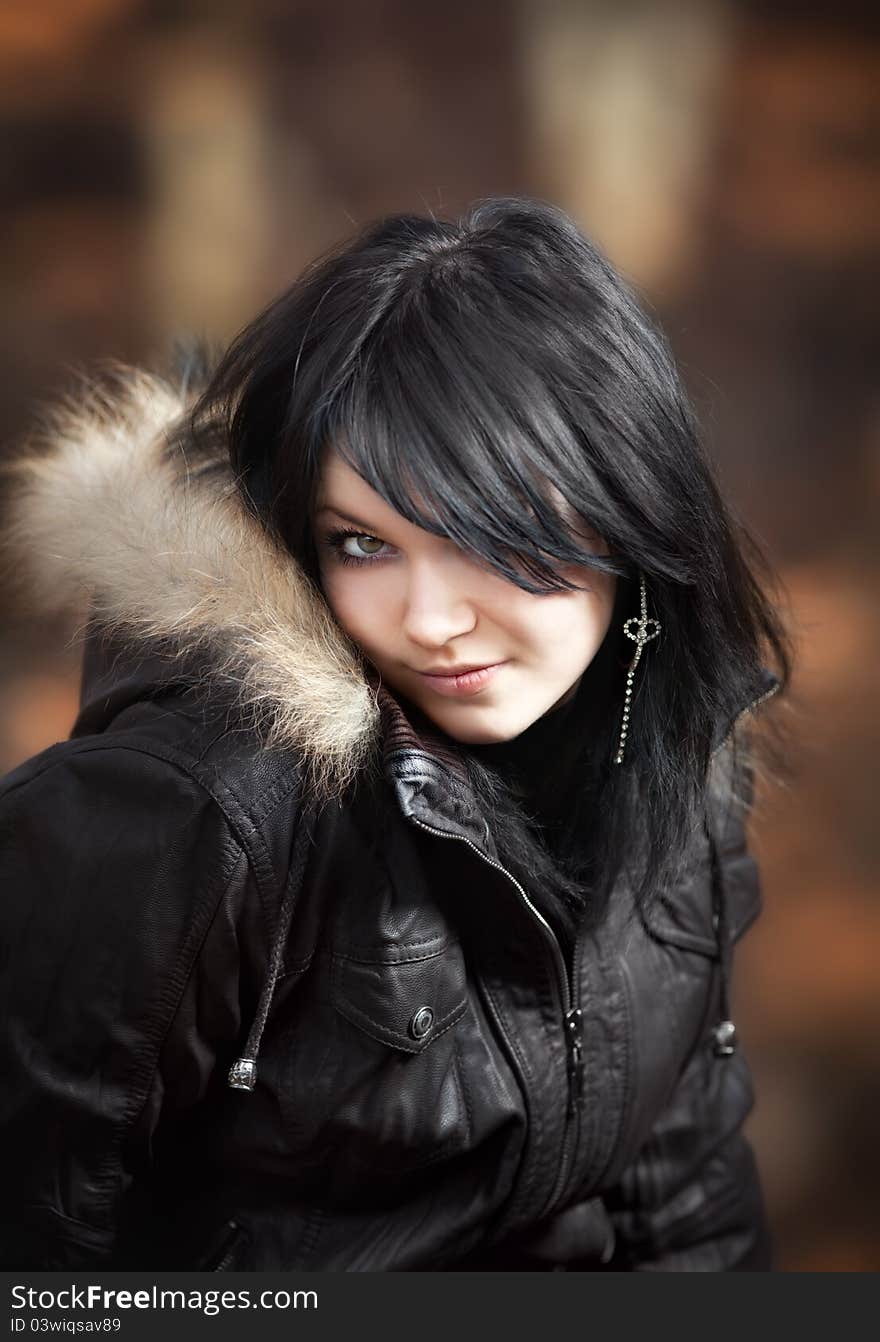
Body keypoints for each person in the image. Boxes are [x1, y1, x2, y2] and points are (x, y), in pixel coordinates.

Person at [0, 196, 792, 1271]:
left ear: (631, 512)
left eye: (487, 536)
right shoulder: (197, 813)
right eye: (363, 544)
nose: (426, 621)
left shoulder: (670, 752)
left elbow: (686, 1202)